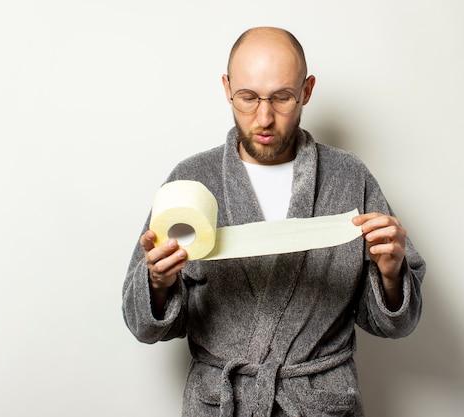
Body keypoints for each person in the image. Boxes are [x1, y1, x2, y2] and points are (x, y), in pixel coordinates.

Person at [122, 27, 425, 417]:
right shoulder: (191, 181)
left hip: (319, 405)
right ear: (227, 88)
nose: (264, 118)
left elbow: (396, 325)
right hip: (220, 405)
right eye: (247, 98)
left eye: (282, 97)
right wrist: (158, 285)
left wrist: (391, 273)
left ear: (307, 91)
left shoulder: (349, 178)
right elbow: (143, 325)